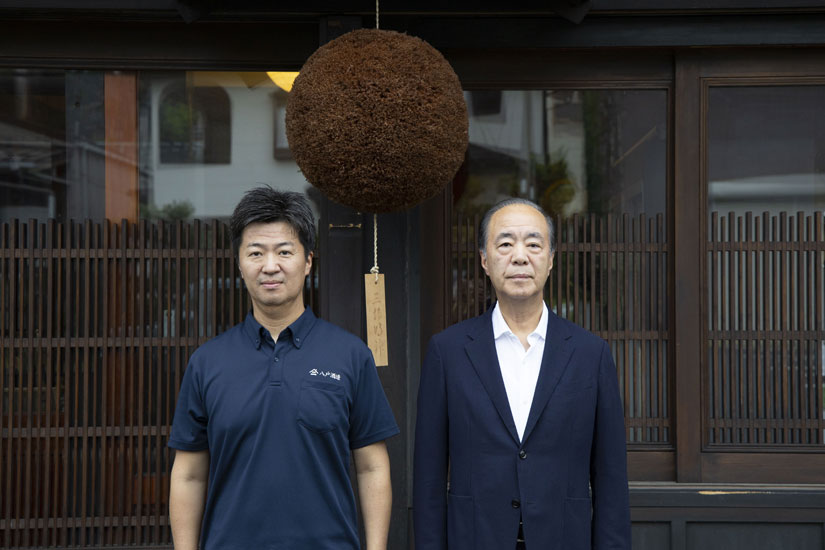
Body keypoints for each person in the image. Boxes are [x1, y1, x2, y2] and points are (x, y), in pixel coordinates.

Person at [168, 186, 399, 550]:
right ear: (239, 263)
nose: (270, 266)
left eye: (284, 251)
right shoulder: (207, 362)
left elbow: (372, 466)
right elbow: (189, 475)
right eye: (255, 253)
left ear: (308, 261)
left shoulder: (350, 355)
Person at [413, 198, 630, 550]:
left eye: (533, 244)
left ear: (551, 259)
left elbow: (611, 478)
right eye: (505, 244)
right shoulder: (448, 352)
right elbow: (428, 476)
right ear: (484, 260)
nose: (519, 257)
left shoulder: (591, 354)